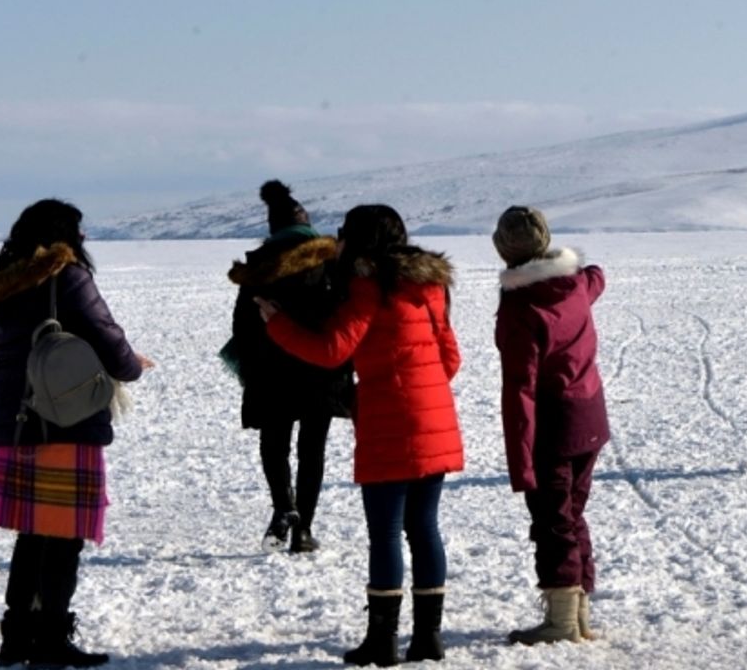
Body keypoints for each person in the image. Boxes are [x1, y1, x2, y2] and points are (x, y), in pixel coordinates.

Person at [256, 204, 463, 667]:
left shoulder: (368, 287)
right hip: (436, 422)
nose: (339, 240)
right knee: (424, 528)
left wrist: (277, 324)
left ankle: (382, 640)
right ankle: (428, 638)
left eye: (344, 233)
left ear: (361, 239)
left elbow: (332, 350)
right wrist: (418, 386)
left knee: (386, 532)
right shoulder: (430, 285)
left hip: (392, 424)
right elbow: (450, 360)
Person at [0, 199, 153, 668]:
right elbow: (107, 337)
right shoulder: (67, 277)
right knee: (63, 536)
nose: (84, 240)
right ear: (62, 236)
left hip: (12, 421)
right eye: (77, 231)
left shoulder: (3, 288)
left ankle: (16, 637)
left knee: (32, 534)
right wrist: (131, 366)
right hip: (63, 420)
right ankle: (50, 638)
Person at [491, 207, 610, 646]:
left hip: (554, 426)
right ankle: (578, 613)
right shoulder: (577, 284)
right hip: (590, 417)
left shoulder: (522, 309)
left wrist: (520, 462)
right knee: (573, 515)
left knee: (554, 521)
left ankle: (562, 620)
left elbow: (519, 391)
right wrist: (577, 265)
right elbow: (597, 276)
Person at [227, 180, 353, 553]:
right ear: (306, 222)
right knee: (312, 448)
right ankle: (304, 530)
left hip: (271, 371)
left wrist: (248, 366)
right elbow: (344, 312)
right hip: (322, 367)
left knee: (274, 443)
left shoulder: (260, 266)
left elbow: (243, 325)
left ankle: (284, 508)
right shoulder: (330, 261)